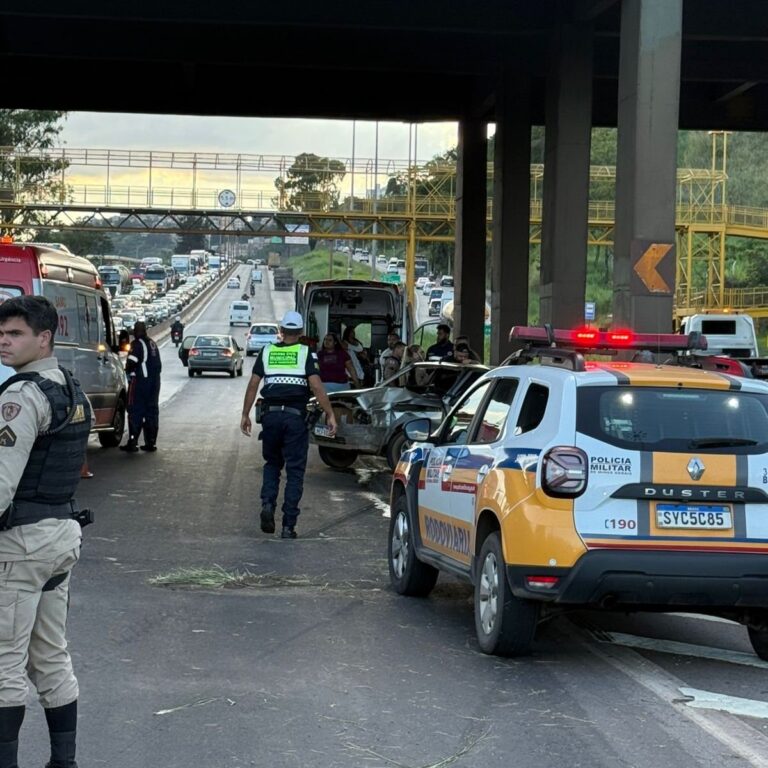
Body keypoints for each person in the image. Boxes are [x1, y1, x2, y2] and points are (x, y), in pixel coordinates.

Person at [0, 295, 91, 768]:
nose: (3, 341)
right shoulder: (71, 389)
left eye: (14, 334)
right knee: (50, 656)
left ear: (43, 337)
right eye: (1, 333)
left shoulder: (20, 395)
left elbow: (1, 482)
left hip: (19, 546)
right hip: (60, 537)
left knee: (3, 664)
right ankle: (64, 762)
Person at [240, 311, 337, 539]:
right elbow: (316, 387)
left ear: (281, 332)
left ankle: (267, 505)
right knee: (294, 471)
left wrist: (245, 414)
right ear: (301, 333)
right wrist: (330, 413)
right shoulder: (305, 353)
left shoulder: (267, 351)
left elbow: (253, 384)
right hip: (295, 419)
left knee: (272, 464)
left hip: (271, 417)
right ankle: (287, 526)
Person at [121, 321, 162, 453]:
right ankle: (151, 443)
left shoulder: (137, 344)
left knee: (135, 410)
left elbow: (132, 362)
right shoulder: (152, 343)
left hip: (140, 383)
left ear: (137, 331)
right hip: (155, 383)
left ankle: (132, 442)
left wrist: (127, 371)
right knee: (151, 412)